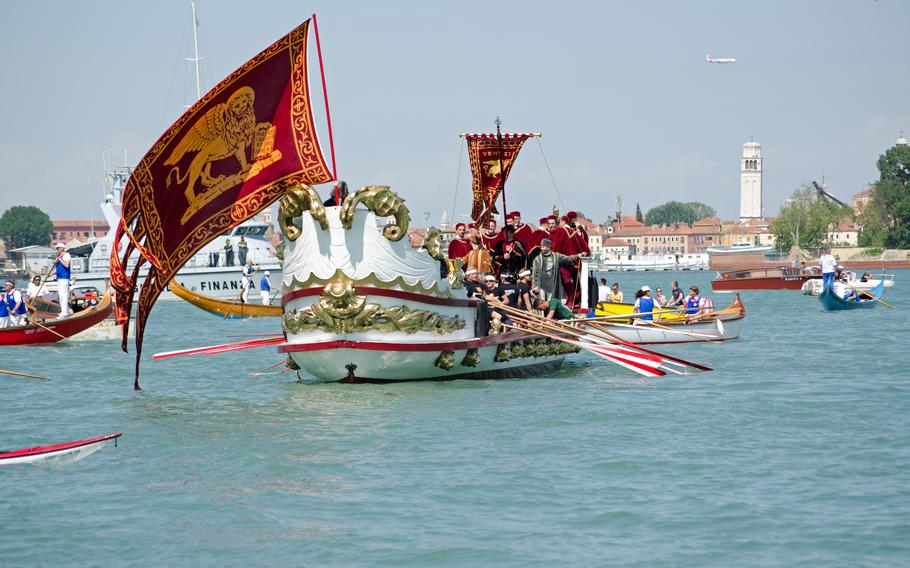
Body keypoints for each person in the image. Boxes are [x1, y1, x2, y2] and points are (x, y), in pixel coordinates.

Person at [52, 242, 73, 319]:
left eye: (58, 248)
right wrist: (51, 273)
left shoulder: (66, 255)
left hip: (64, 277)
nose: (57, 250)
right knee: (61, 295)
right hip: (59, 277)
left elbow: (67, 265)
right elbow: (58, 268)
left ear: (62, 248)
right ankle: (65, 310)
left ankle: (64, 312)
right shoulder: (59, 256)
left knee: (64, 295)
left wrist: (60, 259)